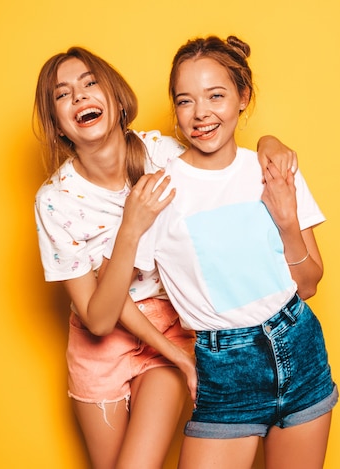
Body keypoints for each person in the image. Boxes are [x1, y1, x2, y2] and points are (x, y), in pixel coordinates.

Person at [33, 46, 298, 469]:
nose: (80, 97)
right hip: (100, 342)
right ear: (57, 123)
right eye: (63, 95)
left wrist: (269, 141)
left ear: (118, 100)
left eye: (89, 84)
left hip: (171, 328)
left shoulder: (163, 155)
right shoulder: (55, 202)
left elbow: (225, 157)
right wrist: (131, 228)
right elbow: (100, 318)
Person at [102, 35, 338, 469]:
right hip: (224, 370)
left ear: (242, 97)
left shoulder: (273, 169)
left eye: (216, 95)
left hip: (300, 350)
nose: (201, 114)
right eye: (185, 101)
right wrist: (176, 354)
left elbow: (308, 285)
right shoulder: (159, 190)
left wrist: (287, 222)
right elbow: (112, 298)